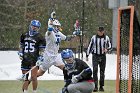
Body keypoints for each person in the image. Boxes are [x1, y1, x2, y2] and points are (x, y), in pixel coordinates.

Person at [18, 20, 46, 93]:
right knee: (25, 77)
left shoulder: (40, 37)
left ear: (38, 28)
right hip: (25, 59)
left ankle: (34, 91)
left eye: (36, 27)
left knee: (34, 77)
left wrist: (41, 57)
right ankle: (25, 92)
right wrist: (20, 52)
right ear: (30, 26)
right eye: (33, 26)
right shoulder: (24, 34)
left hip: (34, 59)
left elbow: (42, 49)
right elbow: (21, 45)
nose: (34, 28)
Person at [86, 26, 112, 92]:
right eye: (99, 31)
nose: (100, 32)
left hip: (103, 56)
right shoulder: (94, 37)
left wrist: (107, 49)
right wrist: (87, 55)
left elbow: (110, 46)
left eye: (101, 31)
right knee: (95, 70)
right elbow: (90, 46)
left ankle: (101, 86)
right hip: (95, 55)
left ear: (103, 31)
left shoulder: (106, 38)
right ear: (97, 31)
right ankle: (95, 86)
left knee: (102, 71)